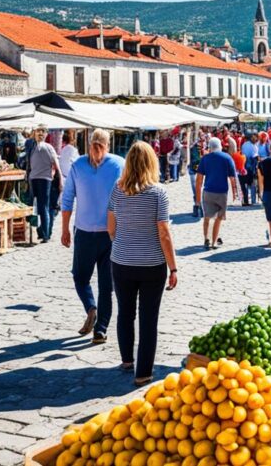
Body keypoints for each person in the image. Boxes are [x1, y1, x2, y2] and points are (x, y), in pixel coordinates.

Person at [107, 141, 178, 386]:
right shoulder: (158, 192)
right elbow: (164, 232)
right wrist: (173, 267)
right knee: (149, 318)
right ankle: (143, 372)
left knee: (125, 312)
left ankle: (127, 360)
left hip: (122, 261)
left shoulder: (117, 190)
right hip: (151, 264)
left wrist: (123, 243)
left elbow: (111, 226)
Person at [60, 129, 125, 345]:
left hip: (96, 234)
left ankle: (95, 315)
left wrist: (65, 229)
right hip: (103, 234)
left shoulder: (84, 165)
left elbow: (67, 199)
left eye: (98, 145)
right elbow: (67, 199)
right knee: (99, 283)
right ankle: (99, 324)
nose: (97, 149)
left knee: (89, 279)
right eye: (96, 145)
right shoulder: (113, 164)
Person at [195, 137, 239, 250]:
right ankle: (214, 242)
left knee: (207, 217)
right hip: (222, 192)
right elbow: (232, 178)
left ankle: (206, 238)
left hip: (208, 191)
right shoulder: (227, 158)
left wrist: (197, 199)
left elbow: (199, 179)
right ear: (220, 146)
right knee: (218, 218)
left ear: (210, 147)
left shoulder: (205, 159)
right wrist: (235, 193)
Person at [28, 127, 62, 242]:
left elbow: (56, 165)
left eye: (43, 131)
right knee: (35, 207)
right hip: (33, 179)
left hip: (45, 180)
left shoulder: (49, 147)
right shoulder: (32, 147)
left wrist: (61, 180)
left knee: (43, 207)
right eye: (38, 131)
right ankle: (40, 232)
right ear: (35, 133)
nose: (40, 133)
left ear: (46, 134)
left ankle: (46, 235)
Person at [240, 134, 259, 206]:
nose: (255, 140)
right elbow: (255, 157)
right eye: (254, 138)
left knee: (246, 184)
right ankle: (253, 201)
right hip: (251, 166)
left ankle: (246, 200)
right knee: (252, 183)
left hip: (244, 166)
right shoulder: (253, 146)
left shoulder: (244, 144)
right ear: (251, 138)